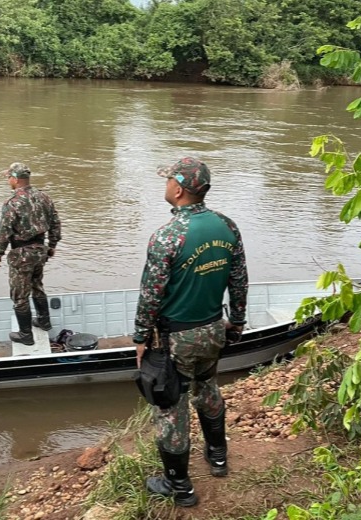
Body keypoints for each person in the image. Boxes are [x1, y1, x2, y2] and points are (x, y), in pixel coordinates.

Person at [133, 156, 248, 507]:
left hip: (177, 338)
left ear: (179, 189)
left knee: (171, 405)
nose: (165, 184)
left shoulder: (167, 237)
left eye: (168, 180)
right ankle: (218, 457)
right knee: (208, 387)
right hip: (214, 328)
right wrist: (237, 321)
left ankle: (179, 487)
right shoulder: (227, 227)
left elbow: (151, 295)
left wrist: (140, 338)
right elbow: (238, 280)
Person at [0, 162, 62, 345]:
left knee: (19, 295)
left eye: (9, 178)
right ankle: (44, 321)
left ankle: (26, 335)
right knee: (37, 285)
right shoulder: (44, 197)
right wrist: (52, 245)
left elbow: (4, 231)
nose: (8, 181)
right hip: (40, 251)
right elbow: (55, 223)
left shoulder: (12, 203)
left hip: (21, 254)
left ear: (15, 179)